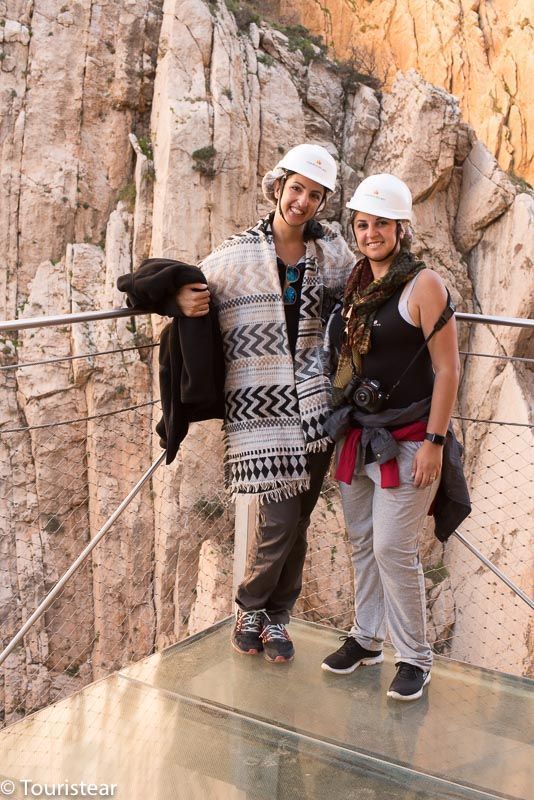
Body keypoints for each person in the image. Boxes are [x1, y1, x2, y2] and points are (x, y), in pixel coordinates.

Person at [176, 144, 356, 663]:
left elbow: (367, 290)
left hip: (317, 405)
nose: (302, 201)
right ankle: (250, 607)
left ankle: (278, 619)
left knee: (298, 520)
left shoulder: (331, 256)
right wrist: (179, 300)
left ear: (322, 203)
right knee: (278, 519)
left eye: (315, 195)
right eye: (296, 188)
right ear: (278, 186)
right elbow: (180, 283)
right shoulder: (235, 255)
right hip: (263, 408)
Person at [321, 173, 461, 700]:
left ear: (400, 228)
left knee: (392, 546)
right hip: (358, 433)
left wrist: (435, 442)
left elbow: (447, 371)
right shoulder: (357, 281)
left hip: (408, 437)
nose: (370, 232)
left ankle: (416, 659)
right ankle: (367, 638)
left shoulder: (423, 285)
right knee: (361, 540)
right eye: (362, 223)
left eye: (381, 223)